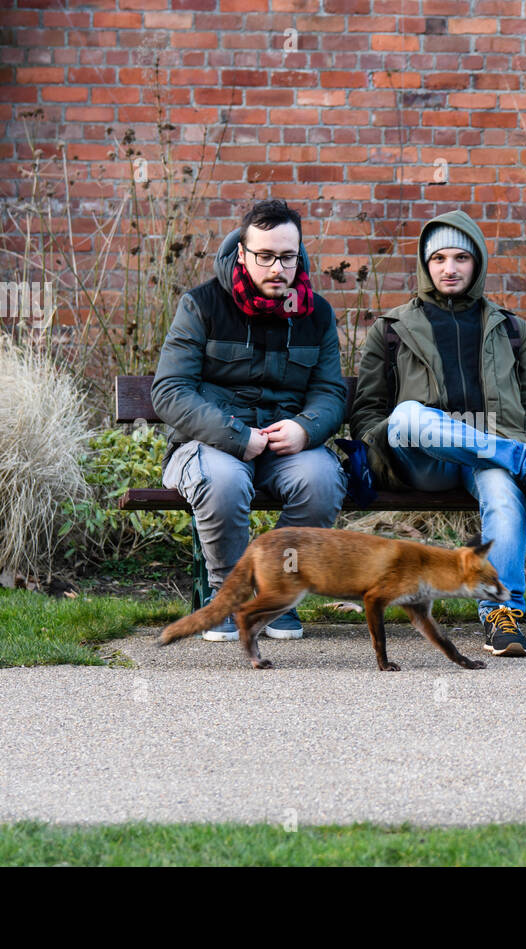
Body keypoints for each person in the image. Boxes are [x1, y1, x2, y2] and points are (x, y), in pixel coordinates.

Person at [349, 210, 526, 657]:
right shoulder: (391, 328)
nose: (449, 268)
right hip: (421, 458)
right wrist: (387, 439)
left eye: (460, 258)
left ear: (477, 263)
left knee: (501, 491)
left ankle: (501, 616)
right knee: (410, 414)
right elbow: (368, 412)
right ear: (424, 264)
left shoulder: (511, 329)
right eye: (438, 259)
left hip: (488, 453)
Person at [152, 199, 347, 641]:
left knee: (322, 480)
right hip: (211, 443)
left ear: (300, 254)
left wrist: (306, 428)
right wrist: (237, 436)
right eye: (265, 256)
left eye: (287, 256)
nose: (277, 267)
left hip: (284, 446)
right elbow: (169, 392)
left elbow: (331, 392)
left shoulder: (315, 314)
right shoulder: (201, 305)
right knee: (223, 483)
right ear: (242, 253)